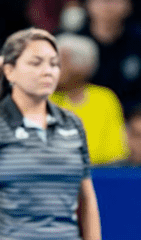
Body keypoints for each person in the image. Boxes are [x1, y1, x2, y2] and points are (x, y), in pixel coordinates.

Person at [0, 27, 101, 240]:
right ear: (10, 71)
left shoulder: (73, 123)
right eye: (36, 63)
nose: (48, 71)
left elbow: (87, 200)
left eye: (54, 64)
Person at [50, 32, 128, 165]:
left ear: (82, 67)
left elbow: (115, 154)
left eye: (61, 62)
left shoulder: (104, 99)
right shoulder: (42, 98)